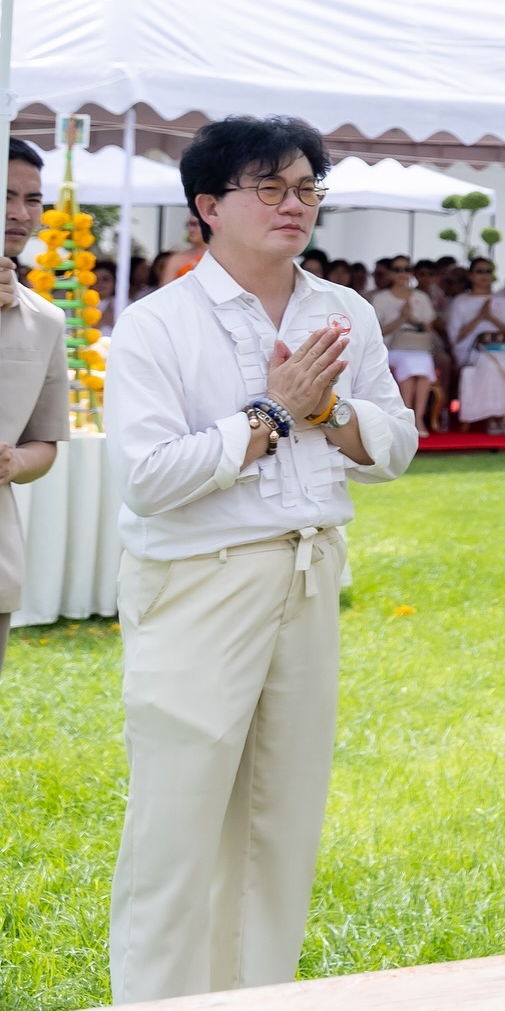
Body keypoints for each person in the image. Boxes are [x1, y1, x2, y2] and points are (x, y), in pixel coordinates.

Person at [103, 114, 417, 1004]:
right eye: (270, 188)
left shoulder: (341, 310)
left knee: (281, 818)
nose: (295, 205)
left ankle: (255, 994)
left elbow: (395, 443)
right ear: (207, 205)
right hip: (200, 583)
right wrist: (272, 413)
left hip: (310, 572)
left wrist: (329, 415)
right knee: (179, 818)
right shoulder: (158, 325)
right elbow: (148, 479)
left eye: (309, 187)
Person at [1, 138, 68, 675]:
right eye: (6, 195)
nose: (19, 214)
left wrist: (16, 462)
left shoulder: (45, 320)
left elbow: (45, 443)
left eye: (32, 199)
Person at [370, 254, 441, 432]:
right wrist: (401, 319)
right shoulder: (381, 298)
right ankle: (407, 418)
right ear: (391, 273)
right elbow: (376, 332)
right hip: (390, 347)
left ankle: (416, 418)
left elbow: (428, 327)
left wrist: (411, 318)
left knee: (422, 367)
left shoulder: (421, 297)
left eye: (406, 269)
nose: (402, 273)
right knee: (410, 367)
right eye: (397, 269)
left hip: (418, 348)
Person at [449, 257, 505, 431]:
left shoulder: (501, 301)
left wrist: (491, 317)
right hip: (472, 349)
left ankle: (502, 417)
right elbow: (455, 335)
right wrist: (480, 317)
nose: (484, 276)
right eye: (480, 271)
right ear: (471, 275)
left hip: (500, 347)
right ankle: (490, 418)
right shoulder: (461, 301)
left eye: (488, 271)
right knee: (489, 365)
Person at [158, 213, 206, 284]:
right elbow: (166, 291)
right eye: (187, 224)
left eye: (194, 224)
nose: (190, 229)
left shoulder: (220, 257)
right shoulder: (176, 260)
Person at [95, 257, 119, 332]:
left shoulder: (124, 303)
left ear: (115, 281)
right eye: (95, 280)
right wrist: (103, 320)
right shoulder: (81, 306)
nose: (100, 284)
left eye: (105, 279)